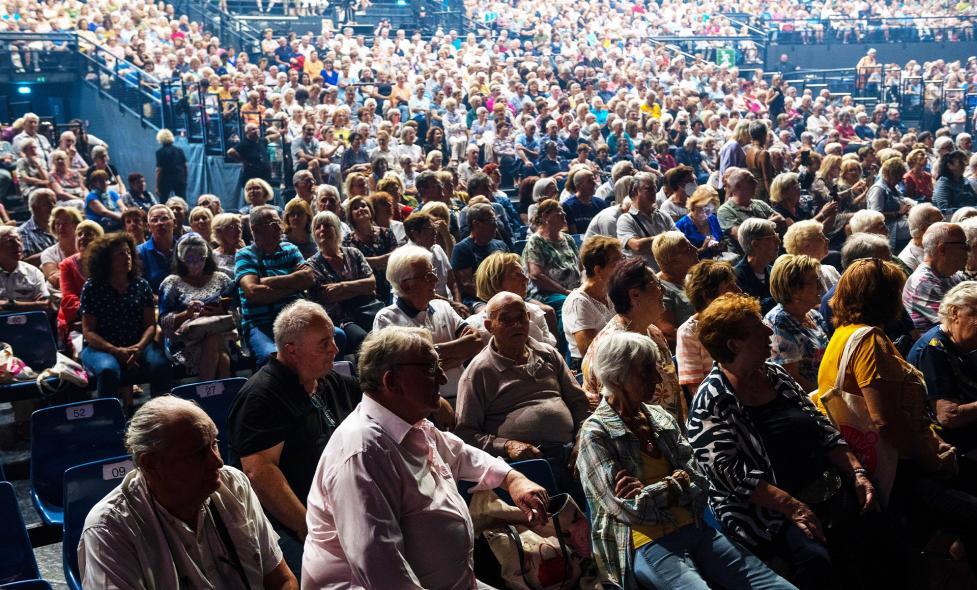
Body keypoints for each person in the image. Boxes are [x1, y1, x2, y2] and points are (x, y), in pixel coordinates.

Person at [301, 326, 550, 588]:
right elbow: (383, 574)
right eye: (430, 368)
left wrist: (512, 478)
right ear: (391, 382)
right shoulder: (363, 453)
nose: (442, 378)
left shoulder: (410, 423)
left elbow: (460, 453)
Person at [689, 292, 897, 590]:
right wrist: (792, 507)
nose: (768, 330)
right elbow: (730, 476)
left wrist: (857, 472)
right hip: (769, 511)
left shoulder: (774, 375)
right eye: (758, 328)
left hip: (824, 484)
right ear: (733, 344)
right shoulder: (712, 401)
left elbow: (823, 429)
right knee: (817, 561)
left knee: (879, 527)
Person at [577, 331, 796, 590]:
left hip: (695, 527)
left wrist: (655, 490)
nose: (658, 380)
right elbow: (631, 509)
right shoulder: (596, 434)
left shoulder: (659, 417)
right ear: (617, 377)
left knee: (775, 586)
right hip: (644, 543)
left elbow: (701, 482)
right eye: (646, 372)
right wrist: (677, 482)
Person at [819, 258, 977, 575]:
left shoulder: (844, 334)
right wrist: (931, 457)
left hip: (896, 460)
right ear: (885, 297)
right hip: (896, 468)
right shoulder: (868, 341)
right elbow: (886, 420)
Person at [79, 396, 298, 590]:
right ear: (151, 463)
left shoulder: (233, 484)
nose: (217, 462)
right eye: (198, 453)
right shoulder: (110, 528)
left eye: (214, 444)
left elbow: (281, 580)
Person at [229, 300, 361, 579]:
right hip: (284, 523)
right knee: (334, 579)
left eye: (333, 341)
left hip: (339, 510)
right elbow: (259, 472)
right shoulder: (262, 396)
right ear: (291, 349)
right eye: (324, 344)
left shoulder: (331, 382)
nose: (335, 350)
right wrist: (309, 529)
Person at [456, 292, 589, 495]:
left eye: (520, 317)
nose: (516, 325)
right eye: (506, 320)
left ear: (528, 318)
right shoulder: (478, 372)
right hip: (528, 465)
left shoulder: (548, 354)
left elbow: (578, 402)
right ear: (489, 326)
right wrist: (507, 445)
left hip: (570, 451)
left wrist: (582, 440)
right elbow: (466, 434)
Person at [375, 245, 483, 401]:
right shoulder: (387, 319)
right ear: (406, 285)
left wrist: (428, 358)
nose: (436, 280)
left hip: (465, 394)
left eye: (434, 272)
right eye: (427, 276)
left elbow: (476, 342)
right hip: (423, 405)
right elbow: (406, 372)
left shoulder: (443, 306)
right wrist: (459, 351)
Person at [79, 232, 171, 411]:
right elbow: (89, 332)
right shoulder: (92, 287)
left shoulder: (141, 285)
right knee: (108, 371)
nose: (127, 257)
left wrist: (138, 347)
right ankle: (108, 419)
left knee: (161, 365)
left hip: (138, 344)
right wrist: (115, 350)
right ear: (106, 259)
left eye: (129, 253)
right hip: (101, 347)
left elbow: (150, 325)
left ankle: (161, 414)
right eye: (121, 254)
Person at [582, 258, 684, 420]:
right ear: (635, 294)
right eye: (656, 284)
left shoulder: (654, 332)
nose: (663, 289)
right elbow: (614, 411)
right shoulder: (614, 348)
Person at [236, 206, 316, 366]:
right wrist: (294, 283)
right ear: (255, 229)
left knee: (336, 336)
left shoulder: (290, 249)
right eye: (273, 224)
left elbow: (309, 279)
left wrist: (267, 281)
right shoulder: (245, 255)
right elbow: (253, 292)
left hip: (295, 319)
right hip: (262, 323)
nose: (280, 228)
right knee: (270, 357)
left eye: (279, 222)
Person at [907, 281, 977, 456]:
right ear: (955, 313)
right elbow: (948, 416)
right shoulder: (933, 349)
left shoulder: (964, 344)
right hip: (955, 445)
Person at [158, 234, 235, 381]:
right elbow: (164, 322)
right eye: (190, 260)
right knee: (218, 350)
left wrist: (220, 311)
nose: (196, 264)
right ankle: (222, 396)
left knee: (214, 339)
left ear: (207, 256)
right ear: (181, 260)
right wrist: (187, 314)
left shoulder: (221, 279)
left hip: (223, 334)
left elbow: (237, 313)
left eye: (200, 258)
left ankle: (207, 392)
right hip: (184, 341)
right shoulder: (172, 283)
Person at [302, 211, 378, 354]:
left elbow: (371, 284)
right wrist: (359, 287)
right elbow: (325, 297)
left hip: (366, 309)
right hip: (340, 318)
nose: (322, 229)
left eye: (327, 225)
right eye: (318, 227)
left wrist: (341, 286)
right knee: (362, 338)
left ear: (337, 229)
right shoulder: (312, 264)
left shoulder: (354, 253)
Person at [765, 254, 830, 392]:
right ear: (794, 290)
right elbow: (791, 378)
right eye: (814, 281)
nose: (820, 286)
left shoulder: (813, 314)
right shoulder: (779, 322)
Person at [524, 198, 582, 351]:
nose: (563, 214)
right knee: (568, 305)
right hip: (547, 293)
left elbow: (581, 268)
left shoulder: (568, 239)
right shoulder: (536, 241)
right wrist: (565, 292)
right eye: (558, 211)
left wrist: (583, 287)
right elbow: (536, 275)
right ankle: (566, 351)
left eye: (562, 210)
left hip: (573, 290)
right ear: (545, 216)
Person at [464, 251, 556, 348]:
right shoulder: (474, 326)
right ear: (495, 283)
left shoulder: (535, 313)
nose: (526, 279)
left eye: (523, 273)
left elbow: (549, 354)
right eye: (516, 275)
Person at [676, 260, 740, 392]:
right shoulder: (689, 332)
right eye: (729, 287)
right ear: (706, 295)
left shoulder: (739, 319)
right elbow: (696, 388)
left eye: (735, 285)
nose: (738, 291)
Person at [563, 235, 622, 369]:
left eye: (622, 259)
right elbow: (589, 351)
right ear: (598, 270)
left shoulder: (611, 291)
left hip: (615, 359)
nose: (622, 265)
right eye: (615, 262)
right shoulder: (578, 302)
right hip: (589, 366)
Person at [903, 222, 967, 332]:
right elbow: (961, 324)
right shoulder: (924, 283)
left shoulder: (952, 275)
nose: (968, 250)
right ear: (942, 249)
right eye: (963, 246)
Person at [58, 221, 103, 355]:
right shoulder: (67, 264)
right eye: (80, 234)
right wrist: (91, 317)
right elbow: (68, 298)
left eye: (88, 234)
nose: (82, 237)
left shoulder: (106, 263)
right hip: (77, 318)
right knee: (79, 350)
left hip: (103, 318)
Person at [451, 202, 508, 308]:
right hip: (477, 300)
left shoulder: (501, 245)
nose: (496, 225)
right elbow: (467, 285)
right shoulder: (462, 249)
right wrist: (498, 297)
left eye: (496, 220)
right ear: (476, 224)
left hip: (505, 294)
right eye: (491, 221)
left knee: (546, 310)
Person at [342, 195, 398, 303]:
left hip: (391, 286)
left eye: (364, 205)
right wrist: (383, 260)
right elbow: (352, 266)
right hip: (366, 293)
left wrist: (364, 260)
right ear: (351, 216)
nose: (361, 209)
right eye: (355, 208)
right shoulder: (347, 241)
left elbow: (395, 258)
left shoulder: (386, 233)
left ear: (371, 210)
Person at [618, 172, 677, 269]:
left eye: (654, 188)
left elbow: (680, 239)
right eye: (648, 189)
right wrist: (669, 236)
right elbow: (638, 245)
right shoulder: (626, 220)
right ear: (635, 191)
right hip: (645, 277)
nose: (654, 192)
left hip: (669, 273)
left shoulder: (663, 215)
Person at [652, 231, 698, 350]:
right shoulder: (659, 290)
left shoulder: (692, 276)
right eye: (687, 250)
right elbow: (669, 333)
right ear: (672, 262)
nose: (695, 249)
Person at [716, 168, 785, 240]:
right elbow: (742, 235)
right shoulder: (725, 210)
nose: (756, 182)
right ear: (738, 186)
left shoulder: (760, 203)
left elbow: (782, 220)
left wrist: (753, 230)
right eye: (750, 181)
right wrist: (770, 223)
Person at [734, 218, 780, 314]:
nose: (778, 241)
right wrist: (783, 297)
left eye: (777, 236)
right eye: (772, 237)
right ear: (755, 244)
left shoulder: (774, 271)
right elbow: (748, 311)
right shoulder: (735, 278)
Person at [867, 157, 912, 252]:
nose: (899, 180)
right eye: (897, 176)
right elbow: (875, 215)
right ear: (887, 174)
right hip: (888, 227)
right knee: (918, 226)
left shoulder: (893, 187)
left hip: (898, 221)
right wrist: (898, 213)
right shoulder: (878, 189)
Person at [782, 219, 840, 293]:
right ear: (806, 245)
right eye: (821, 237)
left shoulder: (830, 270)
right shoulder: (798, 280)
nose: (827, 240)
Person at [40, 205, 82, 289]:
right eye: (57, 224)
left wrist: (64, 274)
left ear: (76, 225)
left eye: (66, 223)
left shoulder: (87, 249)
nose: (60, 227)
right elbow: (55, 281)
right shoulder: (49, 253)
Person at [137, 204, 177, 294]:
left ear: (174, 223)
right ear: (148, 227)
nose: (159, 223)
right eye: (154, 220)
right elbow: (140, 288)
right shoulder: (139, 252)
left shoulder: (184, 249)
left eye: (164, 219)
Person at [675, 186, 723, 256]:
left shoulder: (712, 218)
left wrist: (719, 246)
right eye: (705, 210)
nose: (707, 214)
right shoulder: (680, 226)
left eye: (711, 210)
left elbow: (721, 239)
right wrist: (702, 249)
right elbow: (681, 257)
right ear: (693, 207)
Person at [898, 203, 944, 272]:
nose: (945, 226)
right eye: (940, 223)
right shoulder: (908, 259)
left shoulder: (940, 244)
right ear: (923, 228)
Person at [18, 188, 57, 265]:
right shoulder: (23, 232)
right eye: (47, 204)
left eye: (54, 202)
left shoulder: (59, 226)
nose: (53, 207)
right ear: (34, 207)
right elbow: (25, 262)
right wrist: (56, 250)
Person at [561, 168, 606, 234]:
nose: (594, 183)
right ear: (579, 186)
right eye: (589, 181)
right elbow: (574, 234)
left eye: (593, 179)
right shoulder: (568, 206)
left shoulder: (601, 204)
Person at [933, 150, 977, 215]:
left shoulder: (965, 181)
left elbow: (975, 200)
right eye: (960, 162)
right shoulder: (943, 184)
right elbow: (944, 210)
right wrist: (968, 211)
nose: (964, 165)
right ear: (950, 165)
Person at [155, 129, 188, 200]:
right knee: (182, 201)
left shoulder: (160, 152)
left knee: (163, 201)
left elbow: (159, 170)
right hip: (179, 178)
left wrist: (157, 185)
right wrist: (184, 179)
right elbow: (185, 166)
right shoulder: (179, 150)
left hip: (165, 180)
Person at [212, 213, 244, 278]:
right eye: (232, 227)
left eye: (239, 227)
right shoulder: (212, 256)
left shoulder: (246, 253)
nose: (238, 230)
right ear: (219, 231)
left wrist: (245, 252)